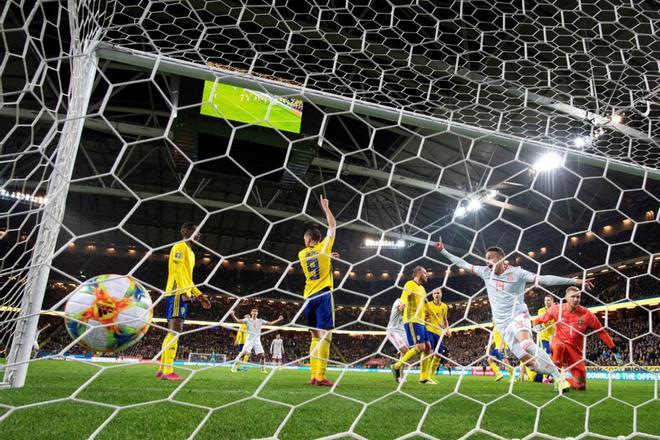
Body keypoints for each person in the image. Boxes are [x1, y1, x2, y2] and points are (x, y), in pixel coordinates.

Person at [434, 237, 593, 393]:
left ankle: (560, 379)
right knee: (533, 365)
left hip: (518, 315)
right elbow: (463, 264)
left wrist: (575, 282)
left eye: (490, 258)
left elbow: (544, 279)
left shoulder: (517, 273)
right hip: (502, 325)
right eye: (486, 259)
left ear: (501, 259)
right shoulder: (485, 272)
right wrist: (443, 251)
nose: (487, 261)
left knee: (527, 344)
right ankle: (553, 374)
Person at [534, 286, 622, 390]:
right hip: (558, 340)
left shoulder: (586, 314)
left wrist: (615, 351)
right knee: (559, 346)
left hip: (575, 350)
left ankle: (560, 380)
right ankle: (557, 376)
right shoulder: (557, 309)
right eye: (573, 297)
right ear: (566, 297)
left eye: (578, 297)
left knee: (581, 386)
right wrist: (536, 326)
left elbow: (601, 331)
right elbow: (537, 320)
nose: (576, 299)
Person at [157, 222, 211, 381]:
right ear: (187, 231)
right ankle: (168, 371)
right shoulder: (179, 247)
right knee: (175, 329)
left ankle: (162, 369)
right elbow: (177, 271)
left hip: (182, 292)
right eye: (196, 231)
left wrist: (200, 295)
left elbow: (188, 279)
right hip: (176, 293)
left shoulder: (191, 252)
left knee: (173, 330)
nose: (199, 234)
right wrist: (182, 292)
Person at [298, 195, 336, 386]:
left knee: (314, 336)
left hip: (307, 297)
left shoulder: (302, 254)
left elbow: (317, 257)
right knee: (326, 335)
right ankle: (320, 377)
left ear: (309, 239)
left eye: (305, 237)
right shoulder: (324, 248)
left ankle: (313, 376)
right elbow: (332, 226)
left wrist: (328, 254)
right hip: (323, 294)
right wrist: (326, 209)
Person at [390, 266, 432, 384]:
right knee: (420, 347)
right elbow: (404, 295)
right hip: (412, 320)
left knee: (428, 348)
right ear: (419, 273)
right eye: (425, 273)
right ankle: (397, 366)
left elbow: (426, 304)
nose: (427, 275)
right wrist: (402, 303)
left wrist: (436, 318)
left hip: (422, 322)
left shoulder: (422, 289)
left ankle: (423, 377)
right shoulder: (409, 284)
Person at [230, 308, 283, 373]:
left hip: (257, 340)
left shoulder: (260, 320)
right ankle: (233, 367)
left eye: (256, 311)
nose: (255, 312)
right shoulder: (247, 320)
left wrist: (278, 319)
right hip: (249, 340)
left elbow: (270, 323)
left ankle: (263, 369)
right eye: (253, 311)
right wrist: (232, 314)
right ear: (251, 313)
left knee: (262, 355)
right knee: (243, 354)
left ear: (257, 313)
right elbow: (238, 321)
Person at [424, 288, 450, 384]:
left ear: (441, 294)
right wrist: (433, 323)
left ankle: (431, 376)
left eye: (438, 293)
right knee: (430, 351)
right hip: (429, 330)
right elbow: (422, 318)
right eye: (434, 293)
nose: (436, 295)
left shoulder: (445, 306)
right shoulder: (427, 305)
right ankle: (425, 376)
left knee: (439, 354)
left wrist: (448, 329)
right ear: (432, 295)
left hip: (439, 333)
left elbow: (445, 319)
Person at [536, 294, 556, 383]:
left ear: (552, 301)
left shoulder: (556, 311)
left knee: (555, 357)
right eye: (545, 300)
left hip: (554, 337)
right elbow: (544, 320)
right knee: (547, 356)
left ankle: (551, 376)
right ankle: (545, 378)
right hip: (543, 337)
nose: (546, 302)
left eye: (548, 300)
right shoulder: (541, 310)